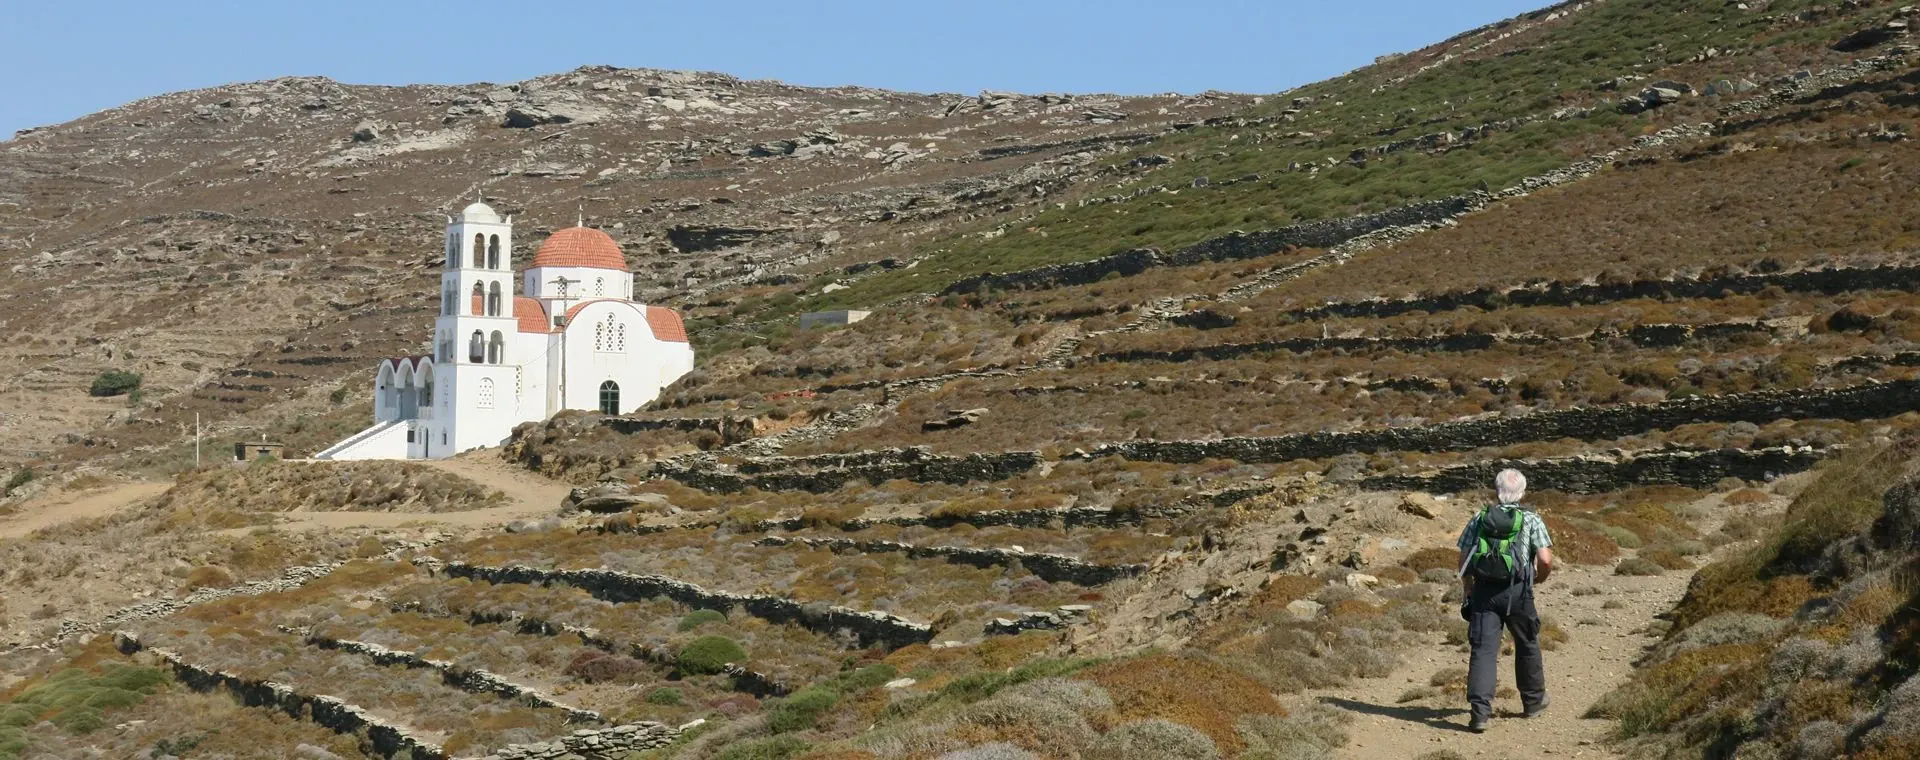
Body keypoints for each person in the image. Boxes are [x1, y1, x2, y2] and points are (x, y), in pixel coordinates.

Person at [1456, 468, 1555, 732]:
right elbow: (1545, 559)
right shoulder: (1532, 519)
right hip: (1518, 592)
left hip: (1484, 592)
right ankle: (1533, 702)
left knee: (1483, 650)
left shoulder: (1480, 517)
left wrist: (1467, 587)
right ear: (1522, 492)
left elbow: (1465, 556)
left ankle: (1479, 713)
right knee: (1527, 643)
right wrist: (1537, 579)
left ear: (1497, 490)